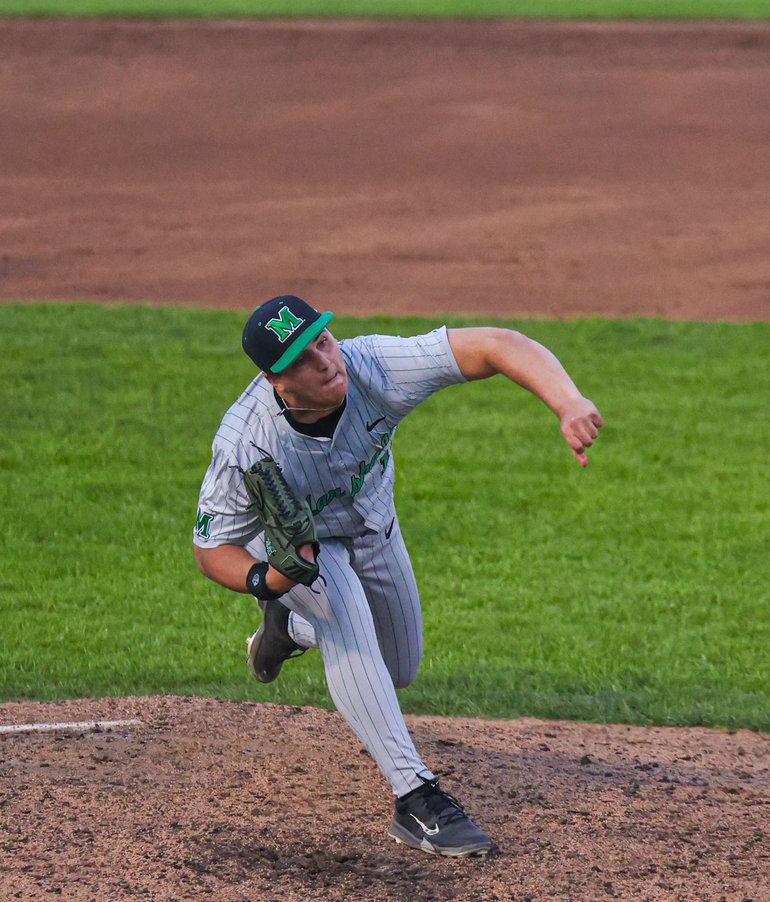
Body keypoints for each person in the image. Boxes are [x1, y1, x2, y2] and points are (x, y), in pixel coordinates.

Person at [193, 295, 603, 857]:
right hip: (303, 551)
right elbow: (211, 549)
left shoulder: (373, 366)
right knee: (345, 617)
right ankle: (416, 797)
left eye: (323, 340)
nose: (325, 360)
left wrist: (568, 401)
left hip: (373, 526)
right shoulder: (245, 442)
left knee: (397, 668)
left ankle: (289, 631)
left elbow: (496, 344)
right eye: (303, 359)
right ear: (275, 379)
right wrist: (268, 580)